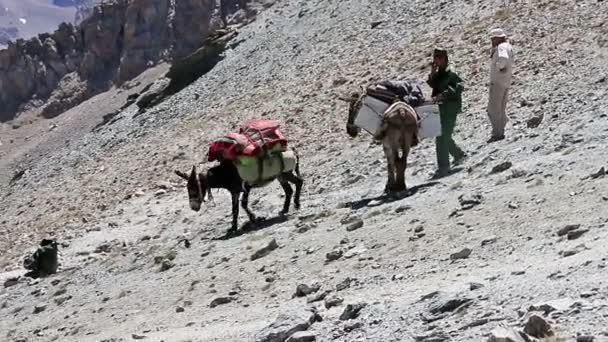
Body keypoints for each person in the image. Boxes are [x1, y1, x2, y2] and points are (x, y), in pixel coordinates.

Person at [426, 48, 466, 178]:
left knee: (443, 136)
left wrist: (444, 94)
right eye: (435, 58)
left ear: (445, 58)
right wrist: (432, 72)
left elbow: (459, 86)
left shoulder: (452, 71)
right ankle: (458, 155)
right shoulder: (439, 72)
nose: (437, 60)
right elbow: (433, 85)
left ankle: (444, 166)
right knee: (443, 136)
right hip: (440, 108)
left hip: (450, 107)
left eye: (439, 57)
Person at [487, 28, 515, 142]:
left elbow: (503, 59)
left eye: (493, 38)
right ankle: (501, 128)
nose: (492, 41)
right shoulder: (508, 46)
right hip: (505, 81)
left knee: (493, 109)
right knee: (501, 107)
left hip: (498, 82)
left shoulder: (502, 47)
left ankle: (497, 133)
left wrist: (499, 67)